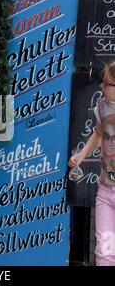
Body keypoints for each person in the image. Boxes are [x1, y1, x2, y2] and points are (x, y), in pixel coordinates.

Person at [69, 62, 115, 266]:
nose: (101, 87)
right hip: (106, 190)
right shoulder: (102, 107)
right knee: (104, 252)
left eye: (107, 84)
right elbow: (98, 134)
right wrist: (81, 155)